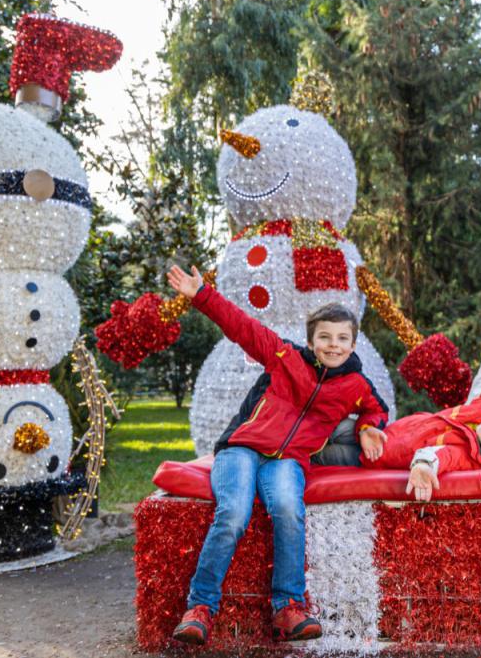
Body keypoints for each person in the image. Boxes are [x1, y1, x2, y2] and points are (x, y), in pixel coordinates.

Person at [165, 265, 389, 646]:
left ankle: (288, 607)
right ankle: (200, 607)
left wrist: (369, 428)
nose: (333, 345)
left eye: (342, 338)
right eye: (324, 337)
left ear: (353, 345)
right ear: (311, 340)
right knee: (234, 512)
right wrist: (202, 295)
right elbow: (241, 327)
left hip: (287, 461)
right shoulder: (285, 356)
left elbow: (377, 409)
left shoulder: (356, 384)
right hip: (242, 449)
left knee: (288, 508)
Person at [315, 326, 481, 501]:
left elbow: (441, 455)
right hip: (384, 432)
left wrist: (424, 465)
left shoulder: (468, 456)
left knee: (322, 454)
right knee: (327, 426)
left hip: (372, 456)